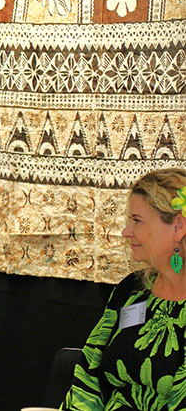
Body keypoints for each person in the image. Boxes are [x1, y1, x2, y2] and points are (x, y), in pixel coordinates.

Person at [62, 168, 186, 410]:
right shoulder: (132, 291)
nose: (126, 232)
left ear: (178, 227)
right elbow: (89, 374)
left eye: (137, 220)